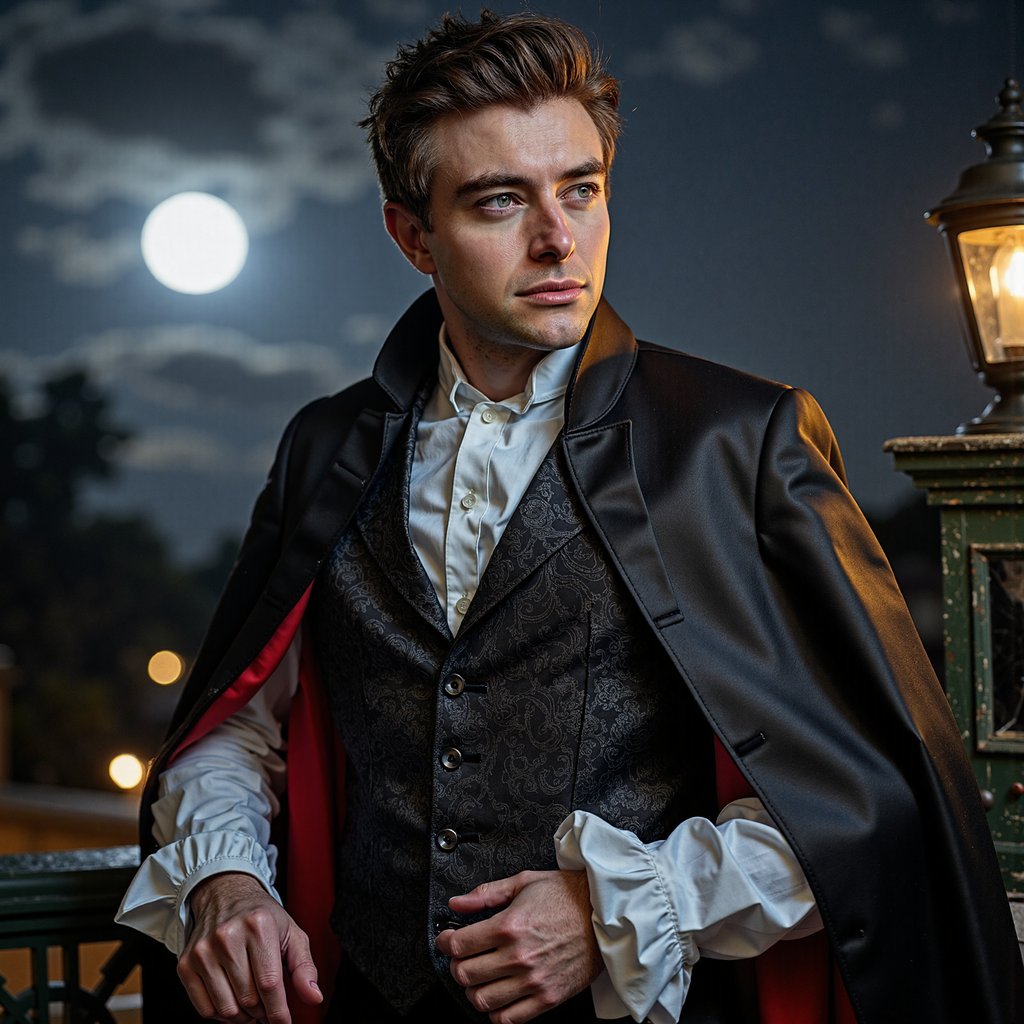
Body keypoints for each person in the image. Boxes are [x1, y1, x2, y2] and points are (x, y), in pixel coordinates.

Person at [116, 9, 1024, 1024]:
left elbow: (866, 801)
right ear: (411, 234)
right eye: (500, 201)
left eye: (580, 190)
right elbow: (236, 728)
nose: (558, 239)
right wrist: (227, 883)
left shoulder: (739, 437)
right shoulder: (325, 448)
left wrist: (612, 906)